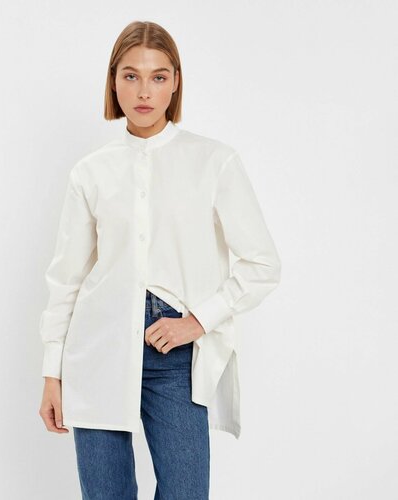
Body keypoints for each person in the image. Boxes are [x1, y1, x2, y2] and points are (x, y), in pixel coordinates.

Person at [38, 20, 281, 499]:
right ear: (113, 82)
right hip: (98, 347)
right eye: (130, 76)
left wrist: (198, 321)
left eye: (158, 76)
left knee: (186, 491)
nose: (144, 91)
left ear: (175, 82)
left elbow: (262, 264)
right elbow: (66, 278)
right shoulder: (91, 172)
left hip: (174, 354)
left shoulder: (214, 161)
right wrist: (52, 372)